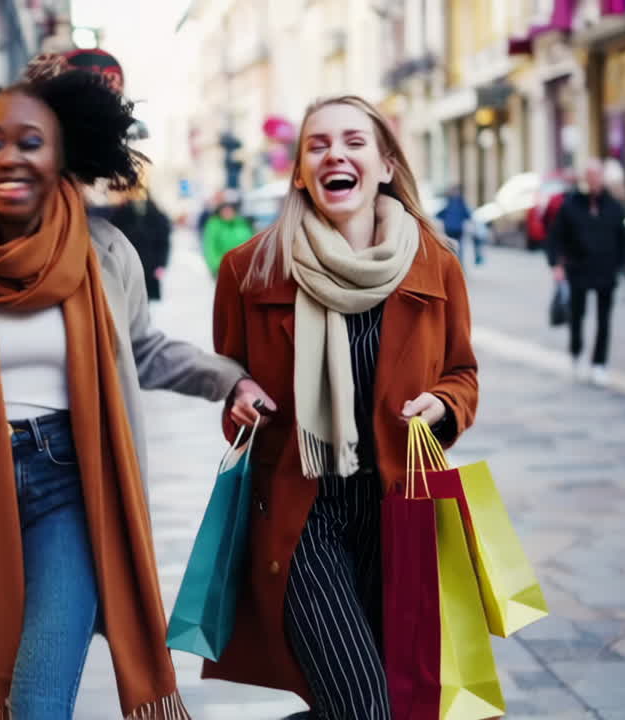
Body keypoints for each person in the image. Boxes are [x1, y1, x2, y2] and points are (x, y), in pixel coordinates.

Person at [0, 70, 270, 719]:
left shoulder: (103, 253)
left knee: (38, 700)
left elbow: (143, 349)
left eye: (30, 141)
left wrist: (227, 379)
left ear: (61, 154)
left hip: (69, 487)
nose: (10, 156)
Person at [207, 95, 478, 718]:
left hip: (401, 513)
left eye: (355, 142)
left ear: (385, 164)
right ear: (302, 170)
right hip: (302, 517)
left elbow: (462, 373)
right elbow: (232, 381)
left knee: (400, 702)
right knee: (362, 706)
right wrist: (239, 400)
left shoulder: (434, 264)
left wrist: (442, 403)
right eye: (318, 144)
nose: (336, 154)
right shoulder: (250, 269)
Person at [547, 158, 625, 386]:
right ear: (584, 179)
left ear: (602, 178)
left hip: (606, 270)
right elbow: (556, 237)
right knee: (577, 316)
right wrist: (557, 265)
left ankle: (600, 363)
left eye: (597, 175)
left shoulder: (614, 206)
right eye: (589, 176)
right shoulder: (570, 205)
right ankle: (576, 354)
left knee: (604, 320)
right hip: (578, 269)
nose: (593, 180)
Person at [108, 188, 173, 301]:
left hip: (149, 266)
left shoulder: (156, 216)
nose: (138, 198)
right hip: (128, 266)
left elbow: (164, 243)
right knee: (128, 300)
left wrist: (161, 264)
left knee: (144, 302)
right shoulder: (121, 215)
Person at [201, 201, 253, 277]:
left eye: (230, 211)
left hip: (245, 268)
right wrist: (217, 266)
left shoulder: (242, 224)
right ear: (219, 213)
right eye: (225, 211)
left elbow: (252, 242)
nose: (228, 213)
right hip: (224, 268)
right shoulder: (214, 226)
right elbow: (210, 247)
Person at [436, 184, 479, 265]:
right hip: (450, 229)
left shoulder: (458, 202)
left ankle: (457, 264)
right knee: (452, 247)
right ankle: (453, 264)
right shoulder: (451, 201)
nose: (454, 192)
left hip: (457, 230)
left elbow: (467, 215)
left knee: (457, 248)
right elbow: (441, 214)